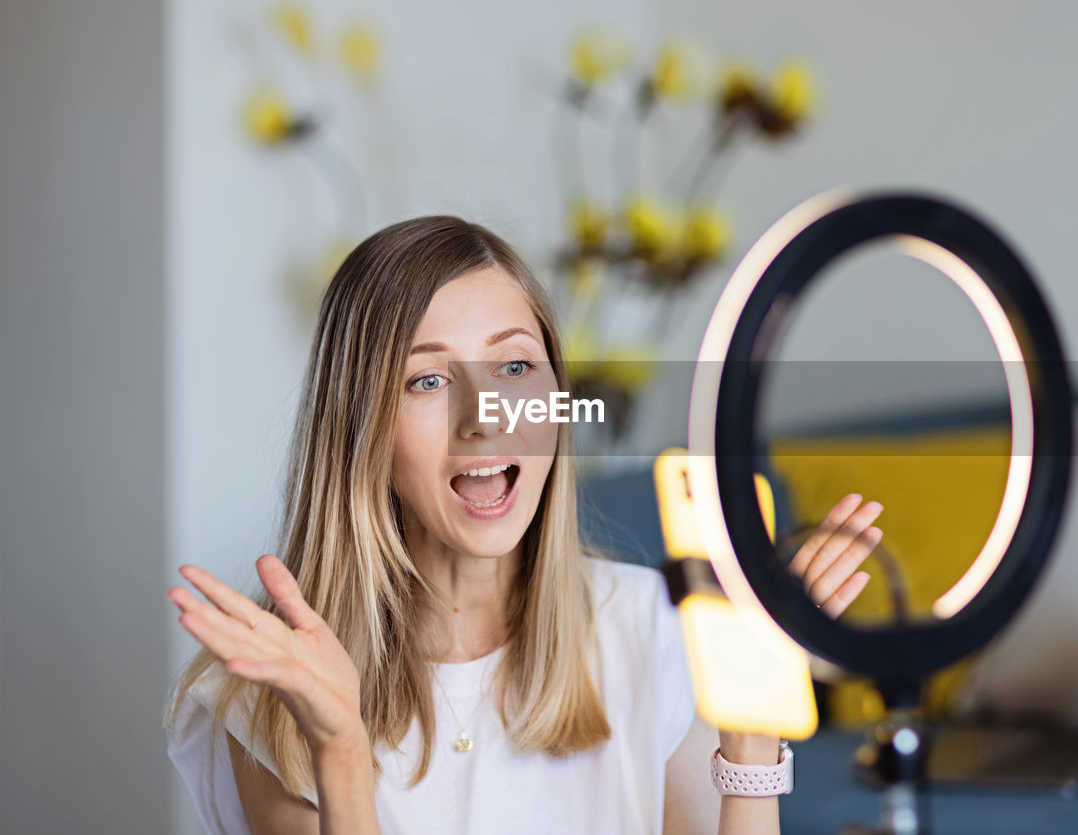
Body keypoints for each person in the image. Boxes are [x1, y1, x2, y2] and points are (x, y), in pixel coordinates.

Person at [162, 216, 884, 835]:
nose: (487, 417)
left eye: (514, 367)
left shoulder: (656, 627)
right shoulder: (276, 683)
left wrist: (752, 734)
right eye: (428, 380)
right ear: (362, 433)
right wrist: (342, 749)